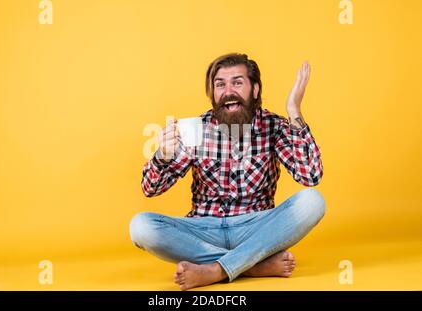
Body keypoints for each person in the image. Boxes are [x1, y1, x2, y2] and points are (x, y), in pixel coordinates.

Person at [130, 53, 326, 291]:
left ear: (255, 89)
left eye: (237, 82)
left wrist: (294, 109)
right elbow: (150, 189)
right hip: (204, 229)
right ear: (212, 94)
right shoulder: (196, 128)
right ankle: (251, 265)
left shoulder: (275, 126)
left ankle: (215, 270)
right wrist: (163, 154)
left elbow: (311, 175)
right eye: (220, 84)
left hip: (255, 226)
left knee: (312, 201)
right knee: (141, 227)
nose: (228, 91)